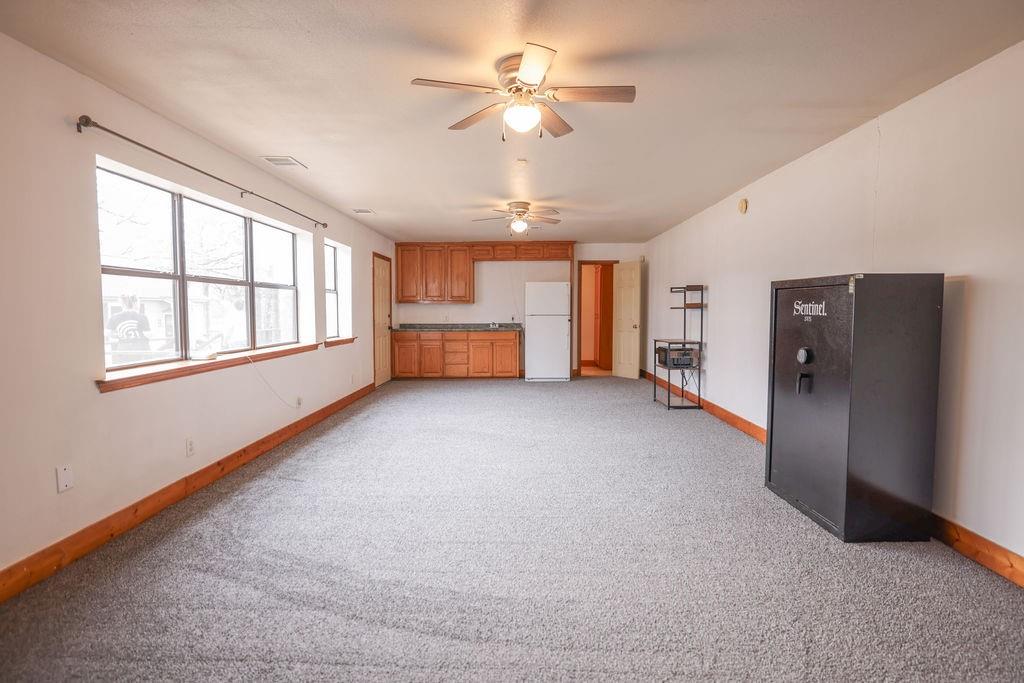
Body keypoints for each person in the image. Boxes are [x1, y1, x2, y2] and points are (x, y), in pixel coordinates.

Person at [107, 294, 151, 365]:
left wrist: (120, 335)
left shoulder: (114, 317)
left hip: (122, 349)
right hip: (139, 350)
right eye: (138, 302)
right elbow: (148, 335)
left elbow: (108, 333)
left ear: (122, 304)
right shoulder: (142, 317)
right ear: (135, 303)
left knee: (124, 370)